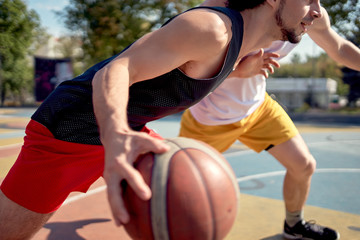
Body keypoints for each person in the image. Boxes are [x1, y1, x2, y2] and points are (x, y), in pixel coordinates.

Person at [0, 0, 323, 239]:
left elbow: (192, 73)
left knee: (183, 209)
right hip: (71, 130)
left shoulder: (244, 45)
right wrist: (114, 136)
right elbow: (115, 71)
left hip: (129, 130)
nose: (317, 10)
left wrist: (240, 72)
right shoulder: (211, 28)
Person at [179, 0, 360, 239]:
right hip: (209, 119)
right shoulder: (224, 12)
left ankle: (293, 225)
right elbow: (184, 68)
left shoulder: (309, 15)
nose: (317, 9)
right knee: (178, 185)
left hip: (258, 109)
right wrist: (238, 72)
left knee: (303, 166)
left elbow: (339, 48)